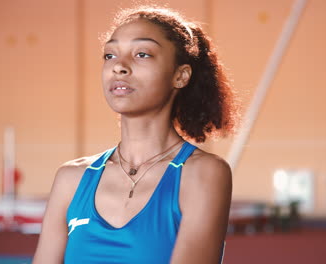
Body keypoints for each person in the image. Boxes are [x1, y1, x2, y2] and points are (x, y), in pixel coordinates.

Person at [33, 5, 238, 264]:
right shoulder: (70, 179)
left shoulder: (202, 174)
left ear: (180, 75)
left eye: (142, 54)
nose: (119, 66)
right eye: (109, 55)